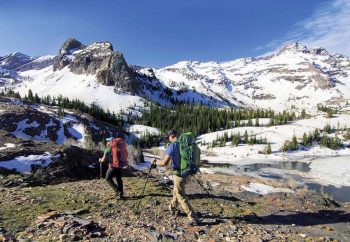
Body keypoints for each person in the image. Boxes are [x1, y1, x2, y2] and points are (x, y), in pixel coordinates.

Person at [153, 129, 199, 225]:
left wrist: (154, 163)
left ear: (172, 136)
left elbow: (164, 163)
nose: (168, 140)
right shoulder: (185, 144)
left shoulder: (173, 145)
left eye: (168, 137)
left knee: (180, 195)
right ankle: (172, 208)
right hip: (186, 172)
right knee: (176, 191)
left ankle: (192, 217)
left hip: (178, 173)